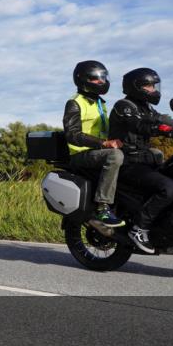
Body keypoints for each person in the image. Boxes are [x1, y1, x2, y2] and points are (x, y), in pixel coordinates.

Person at [108, 67, 173, 253]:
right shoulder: (124, 106)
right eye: (149, 86)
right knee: (169, 188)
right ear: (136, 87)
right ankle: (139, 228)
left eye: (154, 86)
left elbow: (168, 120)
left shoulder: (146, 107)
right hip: (128, 163)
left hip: (144, 161)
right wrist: (167, 130)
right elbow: (140, 125)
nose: (154, 90)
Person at [63, 60, 125, 228]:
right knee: (115, 156)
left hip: (98, 152)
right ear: (83, 79)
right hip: (81, 154)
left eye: (103, 77)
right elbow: (72, 134)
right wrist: (103, 143)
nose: (101, 81)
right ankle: (102, 207)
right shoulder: (75, 103)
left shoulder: (100, 103)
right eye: (96, 78)